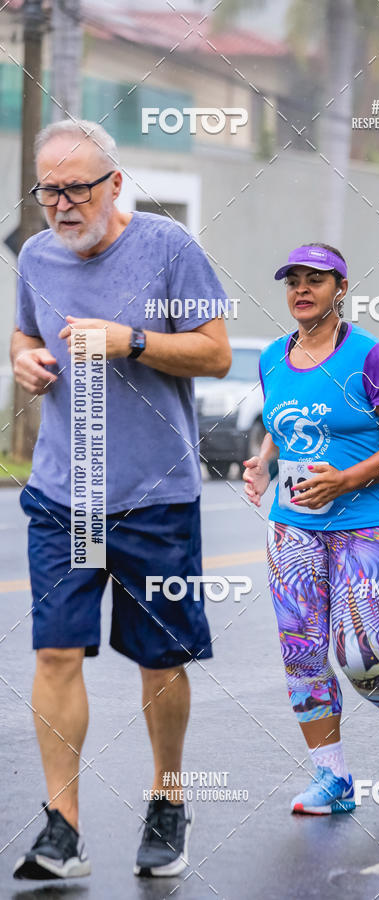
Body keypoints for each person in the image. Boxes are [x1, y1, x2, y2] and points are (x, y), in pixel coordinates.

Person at [12, 119, 231, 879]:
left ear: (115, 184)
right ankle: (62, 829)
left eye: (76, 188)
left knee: (159, 658)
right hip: (64, 495)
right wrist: (24, 360)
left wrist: (130, 340)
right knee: (54, 650)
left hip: (154, 496)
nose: (61, 205)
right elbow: (23, 335)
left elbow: (216, 353)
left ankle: (168, 801)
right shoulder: (35, 256)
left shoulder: (169, 248)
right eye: (48, 191)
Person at [243, 243, 379, 814]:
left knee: (359, 653)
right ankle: (332, 776)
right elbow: (282, 423)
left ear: (340, 289)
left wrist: (345, 481)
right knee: (301, 651)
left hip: (366, 523)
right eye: (293, 279)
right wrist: (264, 462)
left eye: (315, 279)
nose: (301, 288)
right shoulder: (271, 357)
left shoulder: (370, 356)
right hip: (293, 525)